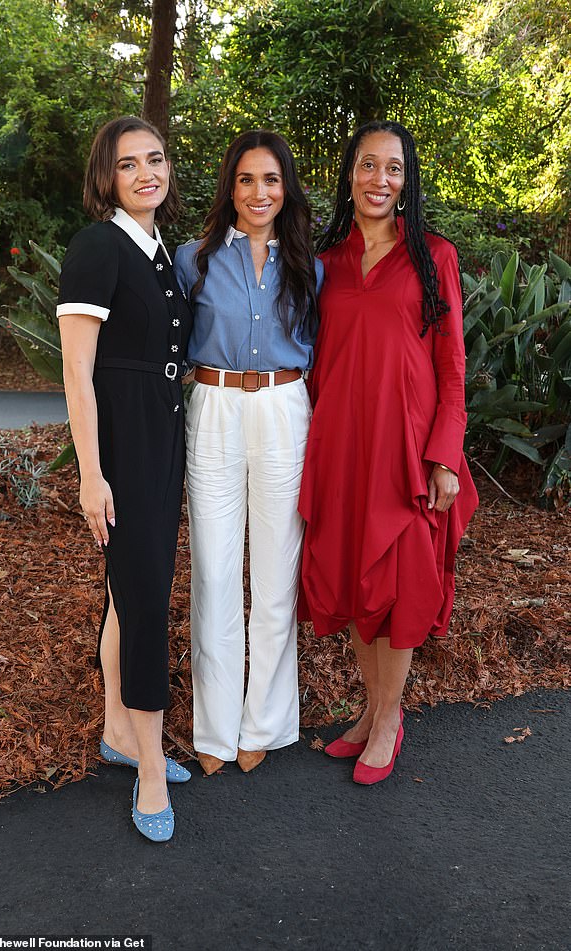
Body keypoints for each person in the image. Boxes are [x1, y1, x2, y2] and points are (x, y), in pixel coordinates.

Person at [299, 120, 478, 784]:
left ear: (408, 181)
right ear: (350, 174)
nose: (380, 180)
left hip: (407, 451)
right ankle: (373, 714)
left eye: (394, 169)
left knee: (397, 592)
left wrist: (444, 455)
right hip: (344, 447)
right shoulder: (326, 262)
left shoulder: (434, 256)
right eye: (368, 166)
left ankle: (388, 721)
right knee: (356, 586)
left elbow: (453, 368)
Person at [57, 116, 193, 841]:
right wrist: (91, 475)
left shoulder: (157, 250)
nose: (147, 172)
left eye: (156, 159)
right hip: (125, 445)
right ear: (106, 177)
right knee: (144, 603)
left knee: (126, 594)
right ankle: (147, 770)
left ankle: (119, 730)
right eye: (128, 163)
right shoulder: (96, 246)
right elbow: (78, 373)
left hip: (161, 434)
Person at [174, 130, 323, 775]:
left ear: (285, 188)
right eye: (245, 180)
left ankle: (262, 722)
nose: (258, 192)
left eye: (270, 180)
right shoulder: (194, 261)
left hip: (285, 410)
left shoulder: (308, 267)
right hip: (214, 407)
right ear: (229, 188)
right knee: (212, 565)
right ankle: (213, 729)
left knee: (274, 572)